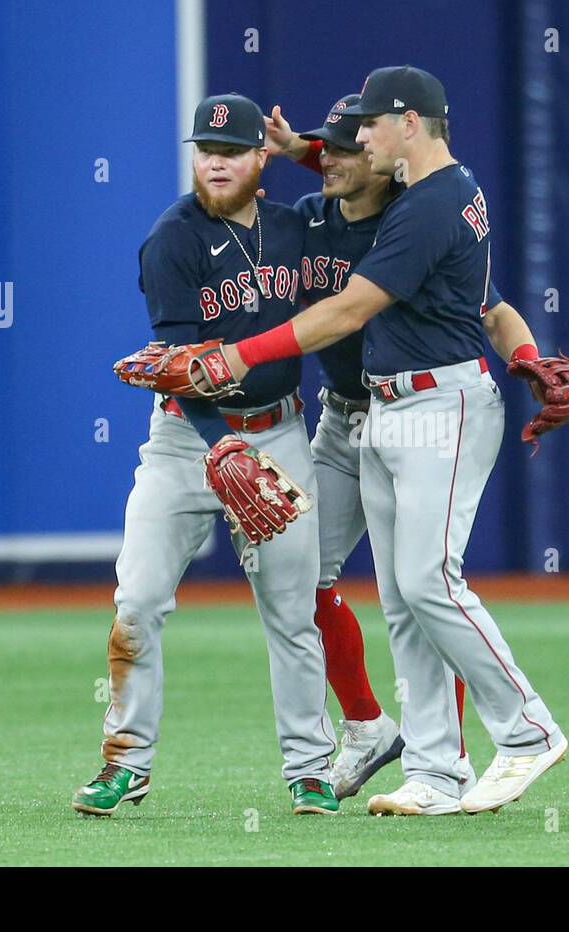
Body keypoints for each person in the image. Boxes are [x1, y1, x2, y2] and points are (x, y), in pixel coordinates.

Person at [198, 67, 569, 815]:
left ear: (408, 122)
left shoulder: (427, 206)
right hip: (385, 406)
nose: (357, 137)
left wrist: (240, 355)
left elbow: (347, 312)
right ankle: (436, 773)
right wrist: (305, 148)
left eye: (369, 124)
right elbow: (349, 171)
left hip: (442, 401)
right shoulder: (438, 188)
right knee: (403, 598)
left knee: (430, 581)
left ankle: (528, 730)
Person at [72, 93, 339, 817]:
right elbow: (178, 365)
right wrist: (218, 440)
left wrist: (306, 147)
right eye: (205, 149)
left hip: (280, 431)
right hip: (185, 439)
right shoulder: (173, 239)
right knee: (138, 601)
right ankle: (126, 761)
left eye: (232, 150)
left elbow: (375, 192)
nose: (215, 160)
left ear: (261, 157)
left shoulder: (297, 227)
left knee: (291, 610)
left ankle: (311, 769)